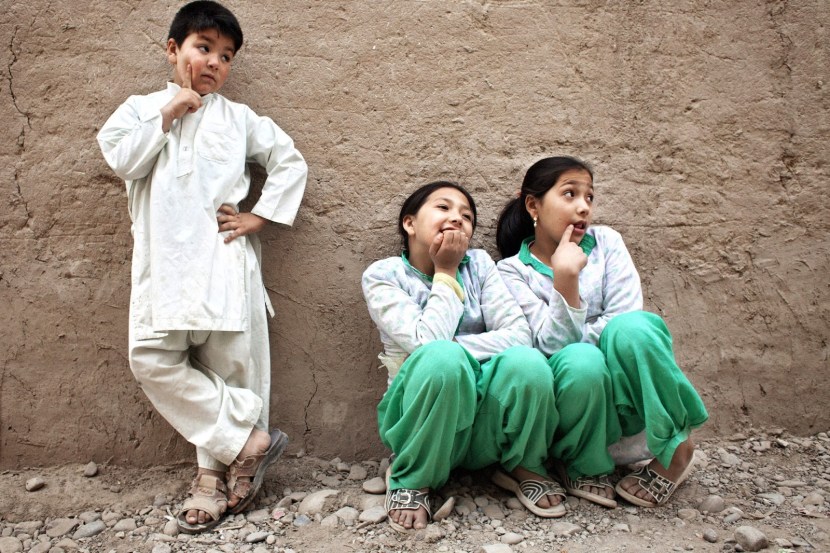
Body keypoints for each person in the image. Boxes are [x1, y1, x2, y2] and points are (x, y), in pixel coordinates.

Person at [97, 0, 308, 533]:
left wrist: (258, 217)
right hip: (163, 266)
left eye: (227, 56)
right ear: (173, 50)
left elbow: (288, 159)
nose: (215, 61)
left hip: (223, 262)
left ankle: (210, 479)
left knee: (230, 369)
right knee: (151, 358)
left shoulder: (238, 119)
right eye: (204, 47)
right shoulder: (140, 109)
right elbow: (121, 159)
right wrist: (170, 112)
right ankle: (247, 439)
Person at [495, 156, 708, 508]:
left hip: (624, 406)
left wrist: (588, 336)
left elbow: (625, 315)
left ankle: (676, 447)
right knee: (580, 360)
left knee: (636, 328)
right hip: (576, 407)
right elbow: (547, 348)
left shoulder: (607, 242)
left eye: (589, 197)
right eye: (570, 194)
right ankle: (581, 462)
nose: (583, 207)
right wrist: (566, 280)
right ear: (533, 205)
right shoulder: (511, 272)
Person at [362, 181, 567, 532]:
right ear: (410, 223)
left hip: (484, 426)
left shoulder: (481, 265)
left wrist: (455, 348)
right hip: (423, 424)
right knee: (441, 358)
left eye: (467, 216)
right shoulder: (383, 276)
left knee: (528, 362)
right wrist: (445, 273)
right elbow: (427, 343)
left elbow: (519, 335)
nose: (457, 218)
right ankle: (413, 475)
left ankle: (521, 465)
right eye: (443, 208)